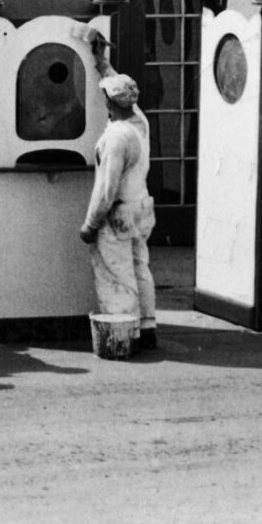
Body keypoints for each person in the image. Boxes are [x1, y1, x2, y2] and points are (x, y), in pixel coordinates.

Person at [79, 70, 158, 356]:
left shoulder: (115, 137)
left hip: (117, 214)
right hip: (141, 207)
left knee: (116, 276)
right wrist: (103, 64)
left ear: (109, 103)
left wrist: (90, 224)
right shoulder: (140, 124)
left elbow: (106, 189)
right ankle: (147, 328)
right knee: (140, 268)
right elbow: (129, 99)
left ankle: (125, 336)